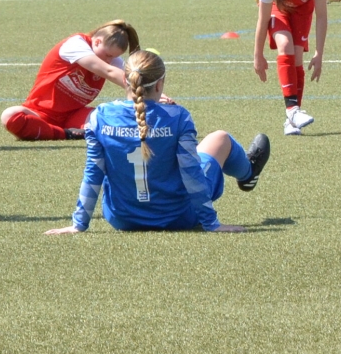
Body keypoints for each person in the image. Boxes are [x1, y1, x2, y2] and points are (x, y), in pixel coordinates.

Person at [48, 50, 271, 234]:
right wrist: (211, 223)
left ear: (125, 80)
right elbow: (191, 173)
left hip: (122, 218)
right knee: (220, 139)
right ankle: (248, 173)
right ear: (159, 84)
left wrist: (79, 224)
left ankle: (248, 173)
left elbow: (93, 172)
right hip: (180, 217)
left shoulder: (100, 116)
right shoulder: (178, 116)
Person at [2, 21, 141, 141]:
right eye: (108, 55)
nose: (109, 60)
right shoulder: (75, 44)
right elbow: (110, 72)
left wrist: (148, 95)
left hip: (74, 116)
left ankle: (52, 131)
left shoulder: (109, 57)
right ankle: (66, 134)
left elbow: (130, 77)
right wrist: (138, 88)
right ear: (97, 41)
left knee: (120, 120)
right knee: (10, 115)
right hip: (39, 113)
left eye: (114, 57)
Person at [252, 0, 327, 135]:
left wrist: (319, 53)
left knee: (297, 57)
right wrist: (258, 55)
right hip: (278, 5)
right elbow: (262, 19)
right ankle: (292, 110)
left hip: (302, 9)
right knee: (285, 45)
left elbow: (322, 16)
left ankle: (291, 121)